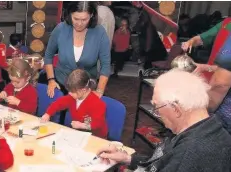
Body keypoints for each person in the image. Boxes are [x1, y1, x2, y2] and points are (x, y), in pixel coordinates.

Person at [97, 69, 231, 171]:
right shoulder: (204, 128)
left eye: (157, 106)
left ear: (176, 109)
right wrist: (127, 158)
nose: (157, 113)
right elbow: (160, 162)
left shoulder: (191, 154)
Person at [44, 1, 111, 98]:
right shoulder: (61, 29)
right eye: (76, 19)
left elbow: (105, 65)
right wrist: (51, 80)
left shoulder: (99, 33)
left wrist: (99, 91)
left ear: (91, 15)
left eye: (84, 19)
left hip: (86, 89)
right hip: (61, 85)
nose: (79, 23)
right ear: (70, 14)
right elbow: (48, 55)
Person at [181, 17, 231, 133]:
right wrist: (191, 42)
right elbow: (202, 38)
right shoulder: (226, 23)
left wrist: (203, 111)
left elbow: (221, 83)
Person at [41, 69, 107, 138]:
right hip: (79, 133)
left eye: (72, 92)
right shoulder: (72, 97)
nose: (70, 93)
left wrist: (82, 125)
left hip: (96, 137)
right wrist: (48, 114)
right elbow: (58, 103)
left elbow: (98, 123)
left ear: (83, 90)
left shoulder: (97, 104)